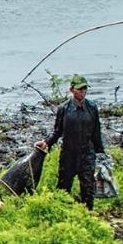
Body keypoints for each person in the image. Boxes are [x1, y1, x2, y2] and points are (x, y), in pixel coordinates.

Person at [36, 75, 105, 210]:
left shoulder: (92, 108)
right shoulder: (64, 109)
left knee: (88, 189)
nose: (83, 92)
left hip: (87, 154)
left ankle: (87, 216)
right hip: (68, 155)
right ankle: (62, 215)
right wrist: (46, 143)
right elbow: (57, 132)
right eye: (80, 89)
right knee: (63, 188)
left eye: (85, 88)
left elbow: (96, 132)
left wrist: (101, 154)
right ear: (72, 90)